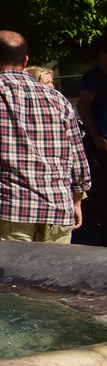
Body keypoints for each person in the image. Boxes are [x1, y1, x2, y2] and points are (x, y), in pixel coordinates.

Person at [0, 31, 88, 243]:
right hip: (59, 209)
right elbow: (78, 157)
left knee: (4, 275)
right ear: (25, 60)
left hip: (9, 210)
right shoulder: (57, 98)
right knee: (52, 275)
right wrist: (76, 201)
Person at [73, 41, 107, 245]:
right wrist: (95, 136)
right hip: (102, 142)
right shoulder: (94, 77)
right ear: (103, 54)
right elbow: (83, 107)